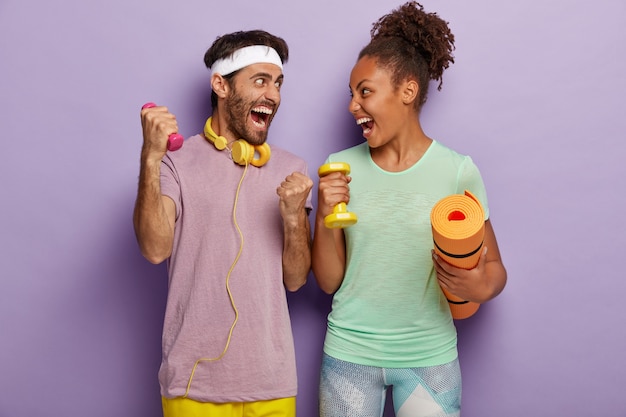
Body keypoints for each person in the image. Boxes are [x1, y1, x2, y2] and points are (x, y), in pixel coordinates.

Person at [312, 3, 507, 416]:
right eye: (351, 94)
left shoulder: (457, 171)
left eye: (365, 91)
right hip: (349, 354)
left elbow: (495, 271)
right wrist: (326, 216)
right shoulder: (340, 169)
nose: (352, 105)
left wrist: (478, 288)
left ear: (407, 90)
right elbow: (329, 282)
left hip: (429, 355)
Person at [133, 29, 313, 417]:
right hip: (193, 385)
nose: (274, 95)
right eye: (260, 81)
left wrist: (295, 218)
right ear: (221, 85)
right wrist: (150, 156)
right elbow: (154, 248)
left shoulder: (291, 170)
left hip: (272, 380)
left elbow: (296, 279)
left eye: (278, 83)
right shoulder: (174, 162)